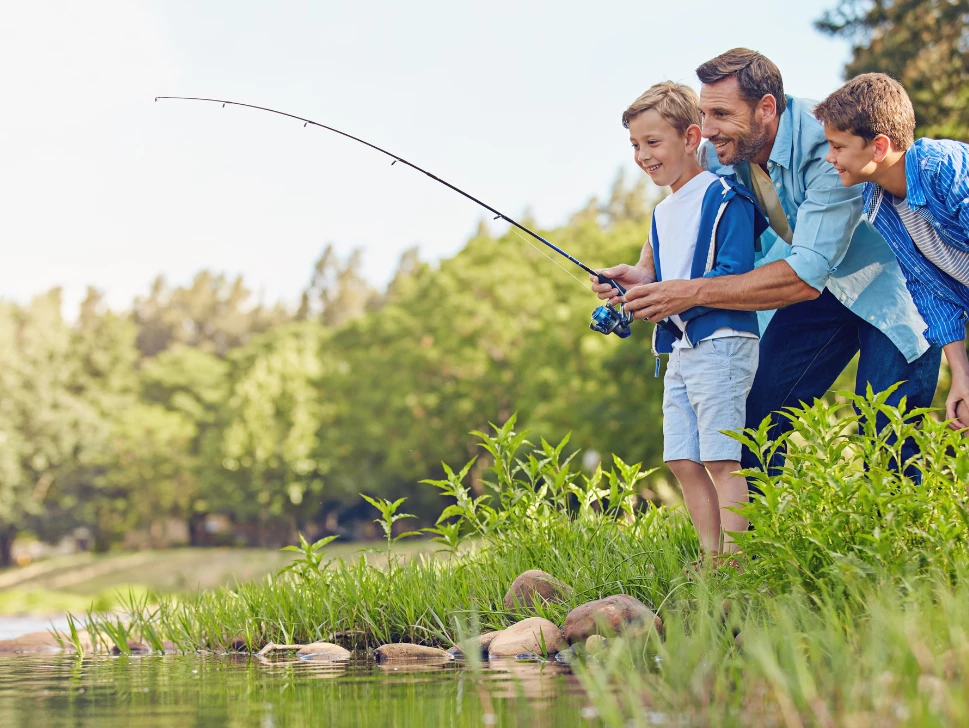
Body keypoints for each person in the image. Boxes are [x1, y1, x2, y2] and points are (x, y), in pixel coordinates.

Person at [593, 49, 942, 477]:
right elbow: (686, 193)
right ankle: (755, 544)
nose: (707, 130)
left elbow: (803, 276)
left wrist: (688, 293)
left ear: (766, 109)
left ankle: (909, 541)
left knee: (888, 440)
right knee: (753, 425)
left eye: (720, 114)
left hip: (894, 290)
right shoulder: (727, 146)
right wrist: (648, 268)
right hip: (822, 288)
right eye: (704, 114)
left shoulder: (828, 148)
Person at [599, 81, 767, 558]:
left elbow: (733, 275)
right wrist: (628, 285)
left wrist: (671, 298)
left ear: (691, 138)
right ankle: (711, 559)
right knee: (681, 459)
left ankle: (738, 566)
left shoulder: (725, 198)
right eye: (635, 145)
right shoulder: (660, 211)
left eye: (653, 142)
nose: (642, 155)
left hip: (723, 343)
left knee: (721, 458)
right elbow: (658, 278)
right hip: (679, 350)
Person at [814, 73, 969, 429]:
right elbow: (929, 290)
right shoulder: (880, 202)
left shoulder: (943, 168)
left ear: (879, 147)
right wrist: (961, 374)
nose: (829, 157)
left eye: (838, 146)